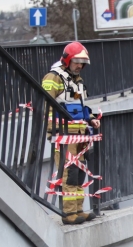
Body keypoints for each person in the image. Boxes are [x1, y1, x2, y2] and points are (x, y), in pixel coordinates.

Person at [41, 41, 101, 225]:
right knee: (69, 172)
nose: (79, 66)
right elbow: (45, 102)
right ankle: (68, 213)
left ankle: (78, 209)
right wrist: (57, 126)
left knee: (79, 172)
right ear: (67, 59)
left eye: (82, 63)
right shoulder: (54, 77)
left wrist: (90, 117)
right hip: (64, 134)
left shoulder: (77, 80)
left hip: (79, 134)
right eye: (76, 61)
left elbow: (79, 106)